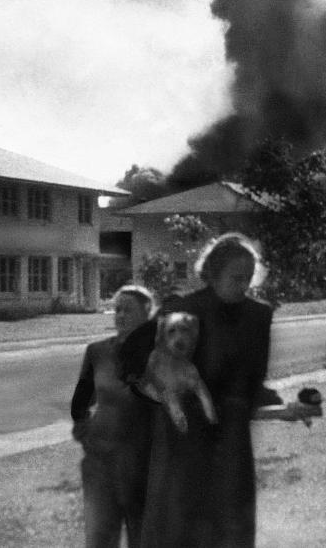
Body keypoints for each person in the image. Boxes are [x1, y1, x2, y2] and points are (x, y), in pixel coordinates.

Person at [120, 232, 273, 548]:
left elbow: (254, 380)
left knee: (231, 525)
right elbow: (140, 367)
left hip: (231, 439)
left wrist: (277, 405)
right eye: (236, 278)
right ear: (213, 275)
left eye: (248, 278)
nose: (243, 285)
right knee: (182, 526)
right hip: (184, 440)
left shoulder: (259, 316)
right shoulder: (183, 311)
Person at [70, 285, 156, 548]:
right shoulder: (97, 352)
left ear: (147, 314)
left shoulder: (160, 356)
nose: (120, 315)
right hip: (101, 465)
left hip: (144, 466)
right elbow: (81, 403)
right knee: (99, 539)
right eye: (117, 309)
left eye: (127, 310)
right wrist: (85, 433)